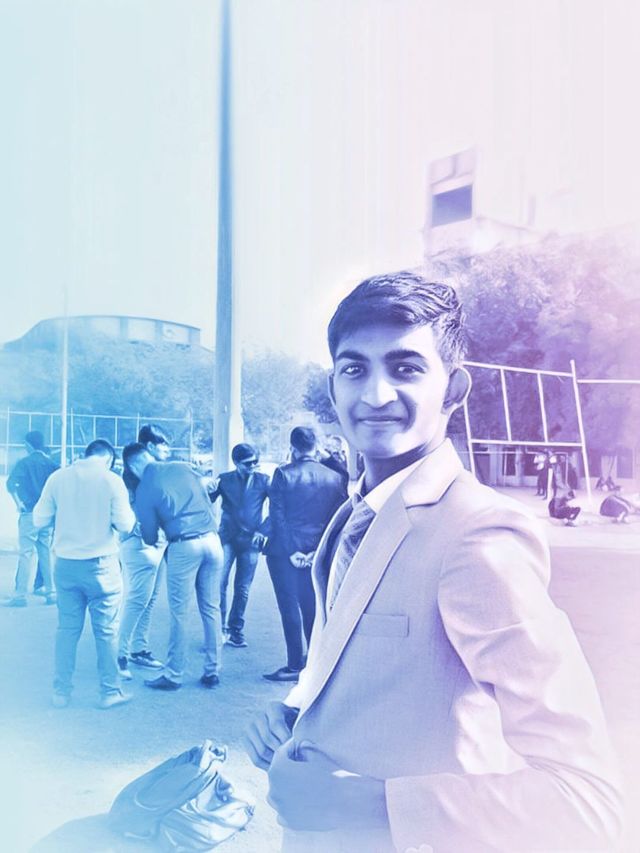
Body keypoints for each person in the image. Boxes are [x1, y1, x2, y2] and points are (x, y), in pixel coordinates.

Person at [245, 272, 622, 852]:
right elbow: (365, 666)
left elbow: (586, 799)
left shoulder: (478, 534)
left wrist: (367, 804)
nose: (375, 395)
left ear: (455, 389)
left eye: (405, 368)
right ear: (333, 387)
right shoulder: (355, 516)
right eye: (354, 369)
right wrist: (298, 710)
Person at [32, 439, 135, 709]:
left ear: (86, 454)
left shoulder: (58, 478)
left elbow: (39, 519)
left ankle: (61, 692)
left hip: (65, 565)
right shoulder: (112, 480)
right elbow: (125, 524)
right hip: (102, 566)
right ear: (109, 460)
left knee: (67, 629)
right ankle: (110, 692)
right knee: (106, 632)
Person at [124, 443, 223, 690]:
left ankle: (174, 674)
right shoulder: (182, 467)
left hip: (184, 546)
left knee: (180, 612)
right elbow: (206, 496)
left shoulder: (144, 489)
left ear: (132, 466)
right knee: (211, 608)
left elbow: (149, 537)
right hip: (213, 541)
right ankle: (212, 670)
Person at [263, 428, 347, 684]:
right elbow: (337, 519)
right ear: (316, 446)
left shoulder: (283, 474)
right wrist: (315, 550)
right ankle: (315, 661)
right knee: (312, 606)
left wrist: (292, 551)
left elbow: (277, 516)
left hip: (284, 553)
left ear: (293, 447)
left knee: (289, 607)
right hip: (316, 552)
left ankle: (294, 664)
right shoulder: (334, 477)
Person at [117, 424, 170, 680]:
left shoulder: (151, 479)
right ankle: (119, 655)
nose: (166, 450)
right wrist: (139, 528)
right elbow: (125, 518)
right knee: (137, 600)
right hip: (139, 547)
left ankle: (139, 648)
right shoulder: (127, 484)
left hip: (157, 545)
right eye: (162, 444)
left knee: (148, 600)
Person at [209, 443, 270, 648]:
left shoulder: (264, 480)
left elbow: (277, 509)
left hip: (251, 540)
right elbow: (206, 501)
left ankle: (236, 630)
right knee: (220, 584)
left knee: (242, 588)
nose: (253, 466)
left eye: (255, 462)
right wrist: (207, 490)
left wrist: (263, 530)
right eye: (247, 463)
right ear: (236, 462)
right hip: (227, 538)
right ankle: (219, 629)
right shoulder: (224, 479)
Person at [4, 430, 58, 607]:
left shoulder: (24, 463)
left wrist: (18, 503)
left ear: (28, 445)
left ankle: (20, 595)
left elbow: (10, 485)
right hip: (47, 515)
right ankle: (50, 592)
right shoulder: (52, 464)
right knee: (45, 552)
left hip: (29, 513)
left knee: (26, 553)